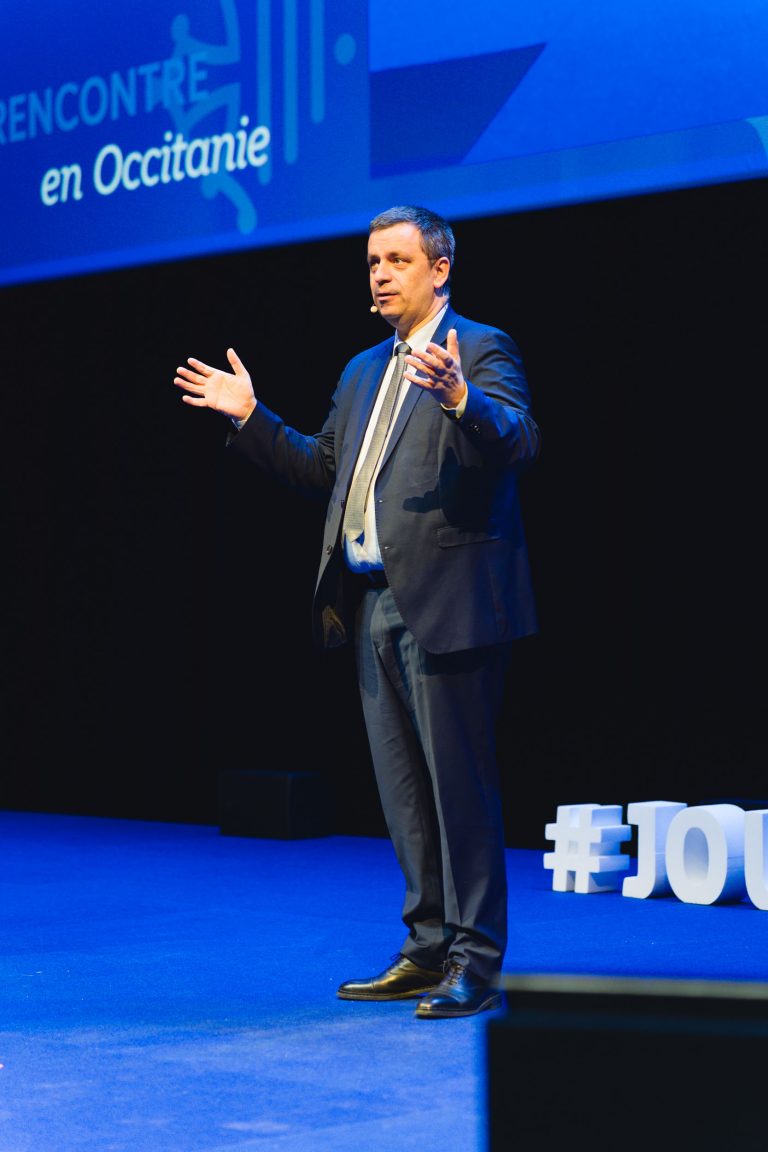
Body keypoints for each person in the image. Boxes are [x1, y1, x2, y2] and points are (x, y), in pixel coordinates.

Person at [174, 205, 541, 1018]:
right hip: (373, 606)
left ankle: (475, 961)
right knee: (404, 794)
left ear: (439, 269)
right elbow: (320, 467)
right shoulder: (362, 370)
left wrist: (458, 400)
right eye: (372, 260)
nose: (379, 273)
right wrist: (249, 417)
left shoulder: (478, 349)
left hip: (450, 607)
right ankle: (424, 948)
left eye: (397, 260)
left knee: (460, 793)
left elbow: (517, 439)